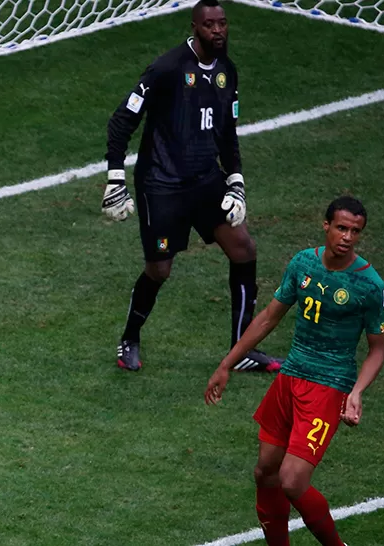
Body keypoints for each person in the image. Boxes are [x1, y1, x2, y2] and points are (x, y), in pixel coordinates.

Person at [102, 0, 281, 372]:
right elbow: (121, 121)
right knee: (160, 269)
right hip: (161, 184)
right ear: (195, 27)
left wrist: (236, 183)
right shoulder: (166, 69)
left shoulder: (227, 72)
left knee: (244, 249)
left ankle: (242, 349)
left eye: (223, 23)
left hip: (205, 180)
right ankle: (129, 338)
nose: (218, 30)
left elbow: (227, 135)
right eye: (209, 25)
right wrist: (115, 178)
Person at [205, 196, 384, 546]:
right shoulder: (303, 263)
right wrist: (226, 364)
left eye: (355, 231)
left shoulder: (370, 287)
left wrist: (356, 392)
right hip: (290, 378)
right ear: (326, 226)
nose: (347, 237)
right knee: (265, 473)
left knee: (292, 480)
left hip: (328, 386)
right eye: (341, 228)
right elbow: (269, 317)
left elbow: (376, 351)